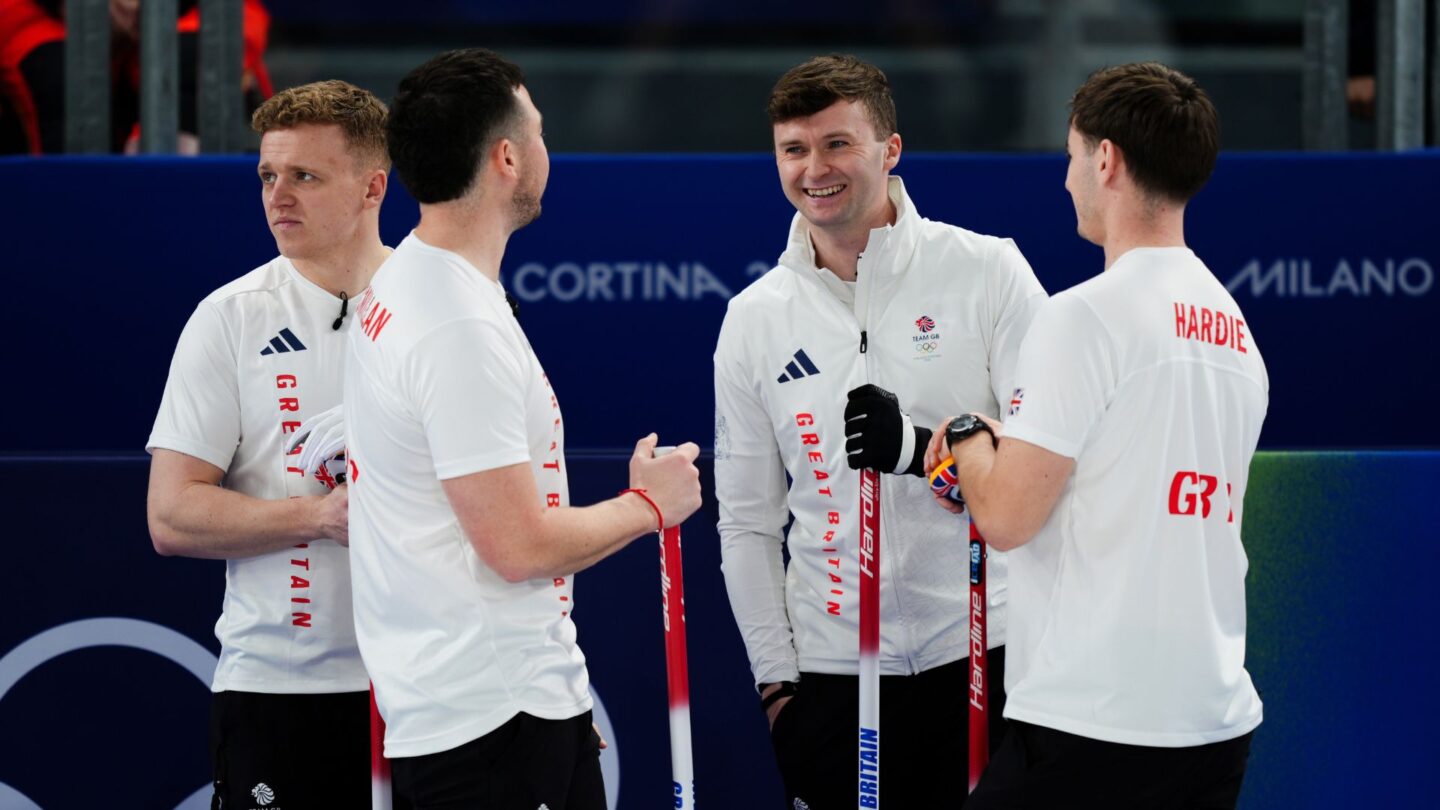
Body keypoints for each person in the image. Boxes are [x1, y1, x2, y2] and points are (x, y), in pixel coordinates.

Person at [344, 47, 702, 809]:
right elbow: (516, 547)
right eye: (537, 131)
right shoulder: (454, 327)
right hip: (491, 720)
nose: (547, 148)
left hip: (477, 704)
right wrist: (649, 506)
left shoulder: (404, 279)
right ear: (507, 157)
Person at [928, 62, 1266, 808]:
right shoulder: (1236, 334)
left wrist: (967, 436)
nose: (1066, 178)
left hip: (1096, 721)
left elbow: (1008, 517)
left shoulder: (1083, 316)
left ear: (1106, 159)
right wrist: (1006, 442)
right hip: (1212, 723)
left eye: (1073, 156)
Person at [713, 54, 1047, 809]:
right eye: (793, 150)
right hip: (832, 679)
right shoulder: (754, 319)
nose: (814, 169)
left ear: (890, 149)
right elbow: (748, 525)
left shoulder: (989, 272)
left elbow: (1046, 465)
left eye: (837, 144)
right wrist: (778, 691)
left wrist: (916, 446)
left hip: (986, 653)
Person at [145, 79, 391, 808]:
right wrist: (317, 517)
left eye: (305, 177)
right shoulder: (230, 318)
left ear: (372, 186)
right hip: (281, 687)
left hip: (430, 682)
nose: (277, 195)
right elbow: (170, 515)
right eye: (267, 175)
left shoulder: (447, 305)